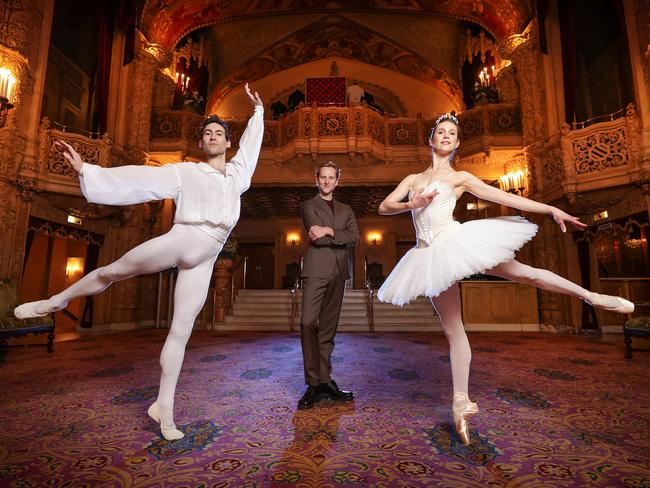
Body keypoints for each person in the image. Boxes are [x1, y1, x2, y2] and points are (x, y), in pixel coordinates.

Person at [15, 83, 265, 441]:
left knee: (181, 331)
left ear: (228, 143)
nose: (212, 137)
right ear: (202, 143)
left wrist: (257, 114)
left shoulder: (238, 176)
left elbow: (252, 149)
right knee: (114, 271)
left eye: (219, 133)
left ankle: (164, 406)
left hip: (207, 256)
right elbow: (139, 178)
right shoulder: (185, 171)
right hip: (181, 239)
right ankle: (55, 301)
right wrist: (88, 170)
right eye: (207, 133)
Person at [377, 112, 634, 445]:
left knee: (525, 275)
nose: (445, 136)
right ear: (431, 140)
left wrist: (549, 209)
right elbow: (385, 207)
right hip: (427, 256)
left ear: (455, 145)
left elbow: (505, 198)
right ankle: (460, 402)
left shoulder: (461, 178)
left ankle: (592, 296)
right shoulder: (412, 179)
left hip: (455, 241)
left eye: (452, 134)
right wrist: (412, 202)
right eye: (440, 131)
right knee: (453, 330)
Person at [298, 161, 359, 409]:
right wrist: (336, 234)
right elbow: (316, 239)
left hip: (339, 273)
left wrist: (329, 231)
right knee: (308, 322)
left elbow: (354, 237)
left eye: (331, 177)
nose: (326, 181)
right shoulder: (307, 206)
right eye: (322, 177)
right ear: (316, 179)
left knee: (328, 330)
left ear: (337, 180)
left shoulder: (346, 209)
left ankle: (325, 381)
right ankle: (313, 382)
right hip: (315, 271)